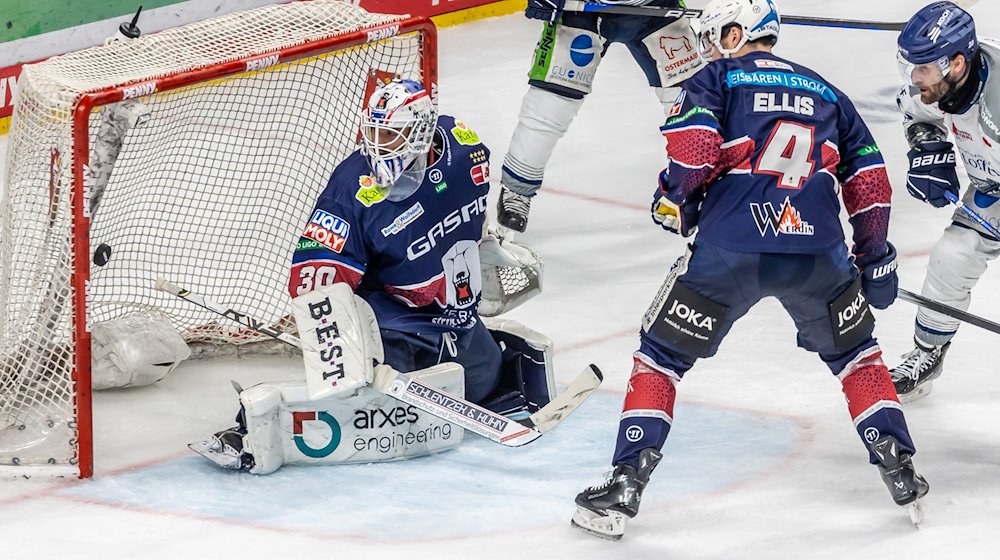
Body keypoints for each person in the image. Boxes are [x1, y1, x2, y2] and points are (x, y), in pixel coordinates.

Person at [570, 0, 928, 541]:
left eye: (718, 36)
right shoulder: (827, 89)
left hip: (730, 251)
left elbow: (693, 154)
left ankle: (626, 483)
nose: (712, 48)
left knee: (659, 358)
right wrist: (875, 257)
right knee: (858, 357)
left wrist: (676, 199)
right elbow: (871, 182)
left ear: (738, 33)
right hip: (818, 256)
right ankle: (898, 464)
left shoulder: (717, 77)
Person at [189, 79, 549, 474]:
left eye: (391, 135)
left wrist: (485, 249)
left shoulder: (465, 149)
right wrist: (347, 350)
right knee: (366, 408)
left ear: (423, 132)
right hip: (390, 325)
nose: (379, 145)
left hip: (456, 319)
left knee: (483, 384)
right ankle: (249, 428)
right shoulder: (351, 188)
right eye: (373, 131)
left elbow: (468, 219)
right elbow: (314, 278)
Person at [496, 0, 704, 237]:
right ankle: (517, 191)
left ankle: (695, 184)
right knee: (551, 104)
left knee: (693, 103)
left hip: (655, 8)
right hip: (583, 10)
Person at [890, 1, 994, 402]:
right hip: (993, 188)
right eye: (911, 68)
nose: (915, 80)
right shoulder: (940, 81)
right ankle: (928, 353)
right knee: (953, 255)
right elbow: (918, 114)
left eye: (923, 69)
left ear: (955, 63)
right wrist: (927, 146)